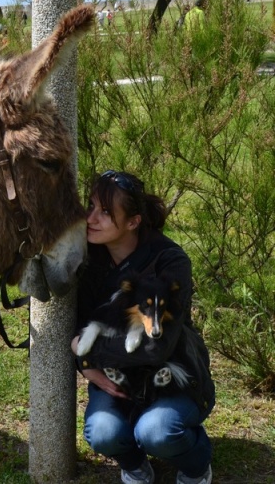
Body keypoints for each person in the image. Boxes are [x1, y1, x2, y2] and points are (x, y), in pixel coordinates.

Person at [72, 170, 215, 484]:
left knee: (158, 431)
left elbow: (157, 347)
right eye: (91, 206)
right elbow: (69, 324)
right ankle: (135, 465)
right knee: (102, 433)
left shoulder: (170, 261)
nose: (91, 218)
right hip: (120, 376)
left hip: (174, 373)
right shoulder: (86, 259)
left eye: (106, 213)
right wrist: (84, 365)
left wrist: (89, 350)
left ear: (134, 222)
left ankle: (195, 465)